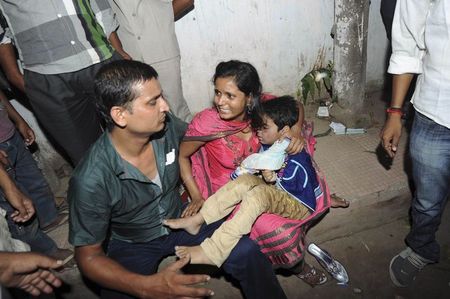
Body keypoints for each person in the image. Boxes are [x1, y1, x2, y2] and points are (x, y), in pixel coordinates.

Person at [69, 60, 287, 299]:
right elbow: (88, 257)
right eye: (153, 102)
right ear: (120, 115)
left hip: (181, 217)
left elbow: (214, 126)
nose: (165, 106)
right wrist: (143, 286)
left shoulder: (167, 127)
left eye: (161, 96)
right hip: (133, 241)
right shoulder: (91, 178)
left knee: (247, 252)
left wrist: (289, 127)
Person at [179, 60, 330, 286]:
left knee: (295, 156)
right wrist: (196, 195)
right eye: (218, 93)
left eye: (230, 96)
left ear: (250, 97)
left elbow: (296, 106)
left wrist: (296, 130)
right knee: (276, 232)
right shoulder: (206, 123)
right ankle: (290, 265)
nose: (220, 101)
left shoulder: (263, 106)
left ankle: (297, 256)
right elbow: (182, 157)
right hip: (232, 186)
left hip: (268, 176)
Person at [0, 1, 130, 165]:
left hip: (102, 58)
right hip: (47, 76)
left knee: (136, 137)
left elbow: (100, 5)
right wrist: (12, 74)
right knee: (88, 160)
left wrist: (117, 51)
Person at [380, 0, 450, 287]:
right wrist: (395, 113)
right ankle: (422, 247)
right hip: (437, 110)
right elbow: (408, 43)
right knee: (427, 199)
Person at [0, 90, 74, 266]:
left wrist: (19, 121)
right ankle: (44, 251)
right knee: (16, 208)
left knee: (34, 180)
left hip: (10, 135)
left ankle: (48, 217)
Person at [109, 0, 193, 121]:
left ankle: (190, 138)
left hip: (161, 48)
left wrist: (161, 21)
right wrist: (118, 50)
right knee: (141, 116)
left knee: (178, 112)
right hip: (129, 55)